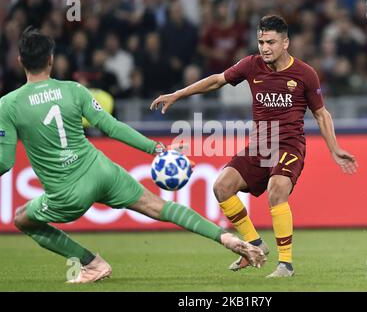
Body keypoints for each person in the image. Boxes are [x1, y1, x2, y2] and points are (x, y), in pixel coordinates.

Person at [0, 27, 266, 284]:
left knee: (24, 218)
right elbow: (111, 127)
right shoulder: (74, 90)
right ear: (51, 59)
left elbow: (6, 161)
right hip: (102, 171)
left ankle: (91, 263)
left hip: (68, 193)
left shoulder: (9, 104)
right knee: (160, 207)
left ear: (20, 59)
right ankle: (227, 238)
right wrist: (157, 149)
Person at [151, 15, 358, 278]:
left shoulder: (305, 74)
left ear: (285, 43)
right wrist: (177, 94)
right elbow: (216, 80)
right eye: (261, 41)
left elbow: (321, 114)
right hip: (260, 145)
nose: (264, 47)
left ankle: (286, 265)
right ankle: (254, 245)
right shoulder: (251, 65)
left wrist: (334, 148)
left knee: (276, 190)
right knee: (221, 187)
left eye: (271, 42)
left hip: (289, 145)